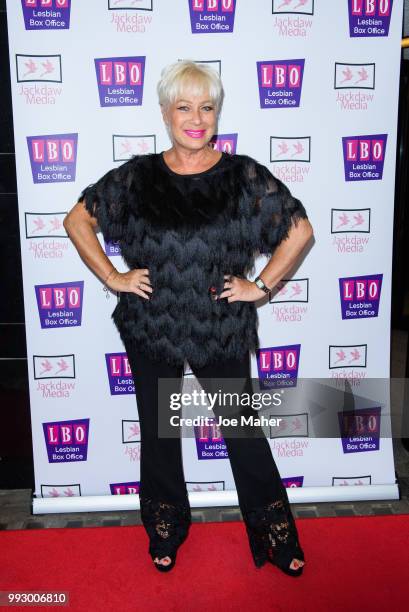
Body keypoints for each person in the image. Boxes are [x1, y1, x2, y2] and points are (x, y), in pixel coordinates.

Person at [63, 60, 314, 576]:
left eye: (206, 107)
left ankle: (276, 537)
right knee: (159, 433)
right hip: (151, 324)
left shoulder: (243, 176)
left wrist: (259, 288)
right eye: (184, 107)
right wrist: (114, 277)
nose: (196, 118)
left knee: (241, 431)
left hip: (219, 325)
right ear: (165, 113)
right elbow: (76, 220)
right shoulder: (136, 177)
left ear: (216, 114)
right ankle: (165, 531)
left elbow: (300, 232)